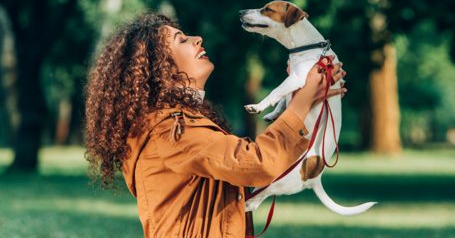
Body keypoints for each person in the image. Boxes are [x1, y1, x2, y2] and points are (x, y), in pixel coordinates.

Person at [84, 12, 346, 238]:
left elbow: (239, 169)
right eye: (181, 40)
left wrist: (300, 94)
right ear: (161, 68)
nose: (197, 38)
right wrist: (300, 103)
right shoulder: (171, 131)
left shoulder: (180, 121)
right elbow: (259, 163)